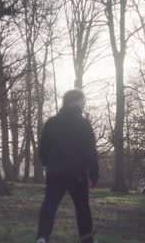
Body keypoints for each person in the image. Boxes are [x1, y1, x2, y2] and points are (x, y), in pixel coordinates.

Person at [36, 90, 99, 243]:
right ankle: (86, 239)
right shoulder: (83, 124)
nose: (83, 104)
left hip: (55, 170)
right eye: (81, 101)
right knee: (82, 206)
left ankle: (42, 237)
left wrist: (47, 164)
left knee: (49, 204)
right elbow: (90, 150)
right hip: (77, 172)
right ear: (73, 101)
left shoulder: (51, 122)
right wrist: (93, 173)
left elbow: (43, 148)